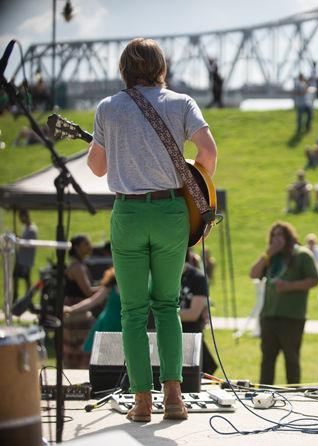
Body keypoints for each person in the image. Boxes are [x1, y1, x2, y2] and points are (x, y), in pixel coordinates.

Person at [87, 38, 218, 422]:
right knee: (166, 306)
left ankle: (142, 402)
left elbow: (97, 168)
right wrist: (191, 177)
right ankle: (174, 398)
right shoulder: (181, 103)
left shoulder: (108, 108)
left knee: (131, 311)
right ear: (161, 67)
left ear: (124, 70)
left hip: (128, 214)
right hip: (171, 212)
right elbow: (208, 153)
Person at [249, 222, 318, 385]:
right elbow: (253, 274)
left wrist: (290, 286)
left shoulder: (302, 254)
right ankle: (264, 393)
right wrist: (267, 253)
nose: (276, 239)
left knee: (292, 360)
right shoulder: (271, 257)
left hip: (292, 317)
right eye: (273, 235)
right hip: (269, 316)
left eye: (280, 235)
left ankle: (294, 393)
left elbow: (314, 280)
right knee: (267, 360)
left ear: (289, 236)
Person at [63, 267, 121, 356]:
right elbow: (92, 301)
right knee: (102, 357)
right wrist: (71, 309)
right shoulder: (111, 286)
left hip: (123, 326)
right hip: (106, 325)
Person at [63, 235, 99, 369]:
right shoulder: (77, 267)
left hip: (73, 310)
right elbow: (88, 291)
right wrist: (108, 286)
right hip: (77, 312)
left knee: (75, 348)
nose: (90, 246)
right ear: (77, 247)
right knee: (83, 347)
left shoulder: (76, 264)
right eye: (86, 244)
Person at [13, 209, 38, 303]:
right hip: (21, 258)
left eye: (21, 217)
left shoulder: (32, 230)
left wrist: (18, 239)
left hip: (26, 260)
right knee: (17, 278)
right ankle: (18, 298)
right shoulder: (26, 228)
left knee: (26, 280)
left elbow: (27, 244)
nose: (20, 219)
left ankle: (28, 300)